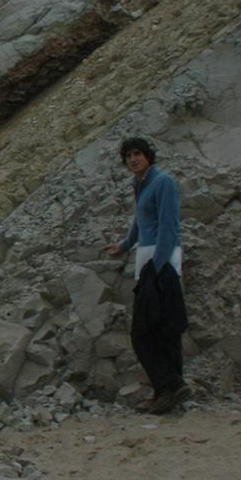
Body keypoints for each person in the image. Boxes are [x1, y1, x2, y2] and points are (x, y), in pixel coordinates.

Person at [101, 136, 191, 414]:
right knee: (163, 329)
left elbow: (168, 224)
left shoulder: (163, 182)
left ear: (149, 155)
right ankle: (168, 392)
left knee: (143, 332)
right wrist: (125, 244)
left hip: (160, 261)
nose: (132, 159)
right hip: (149, 260)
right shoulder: (140, 184)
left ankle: (171, 385)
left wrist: (158, 264)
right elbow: (140, 219)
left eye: (137, 153)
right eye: (128, 156)